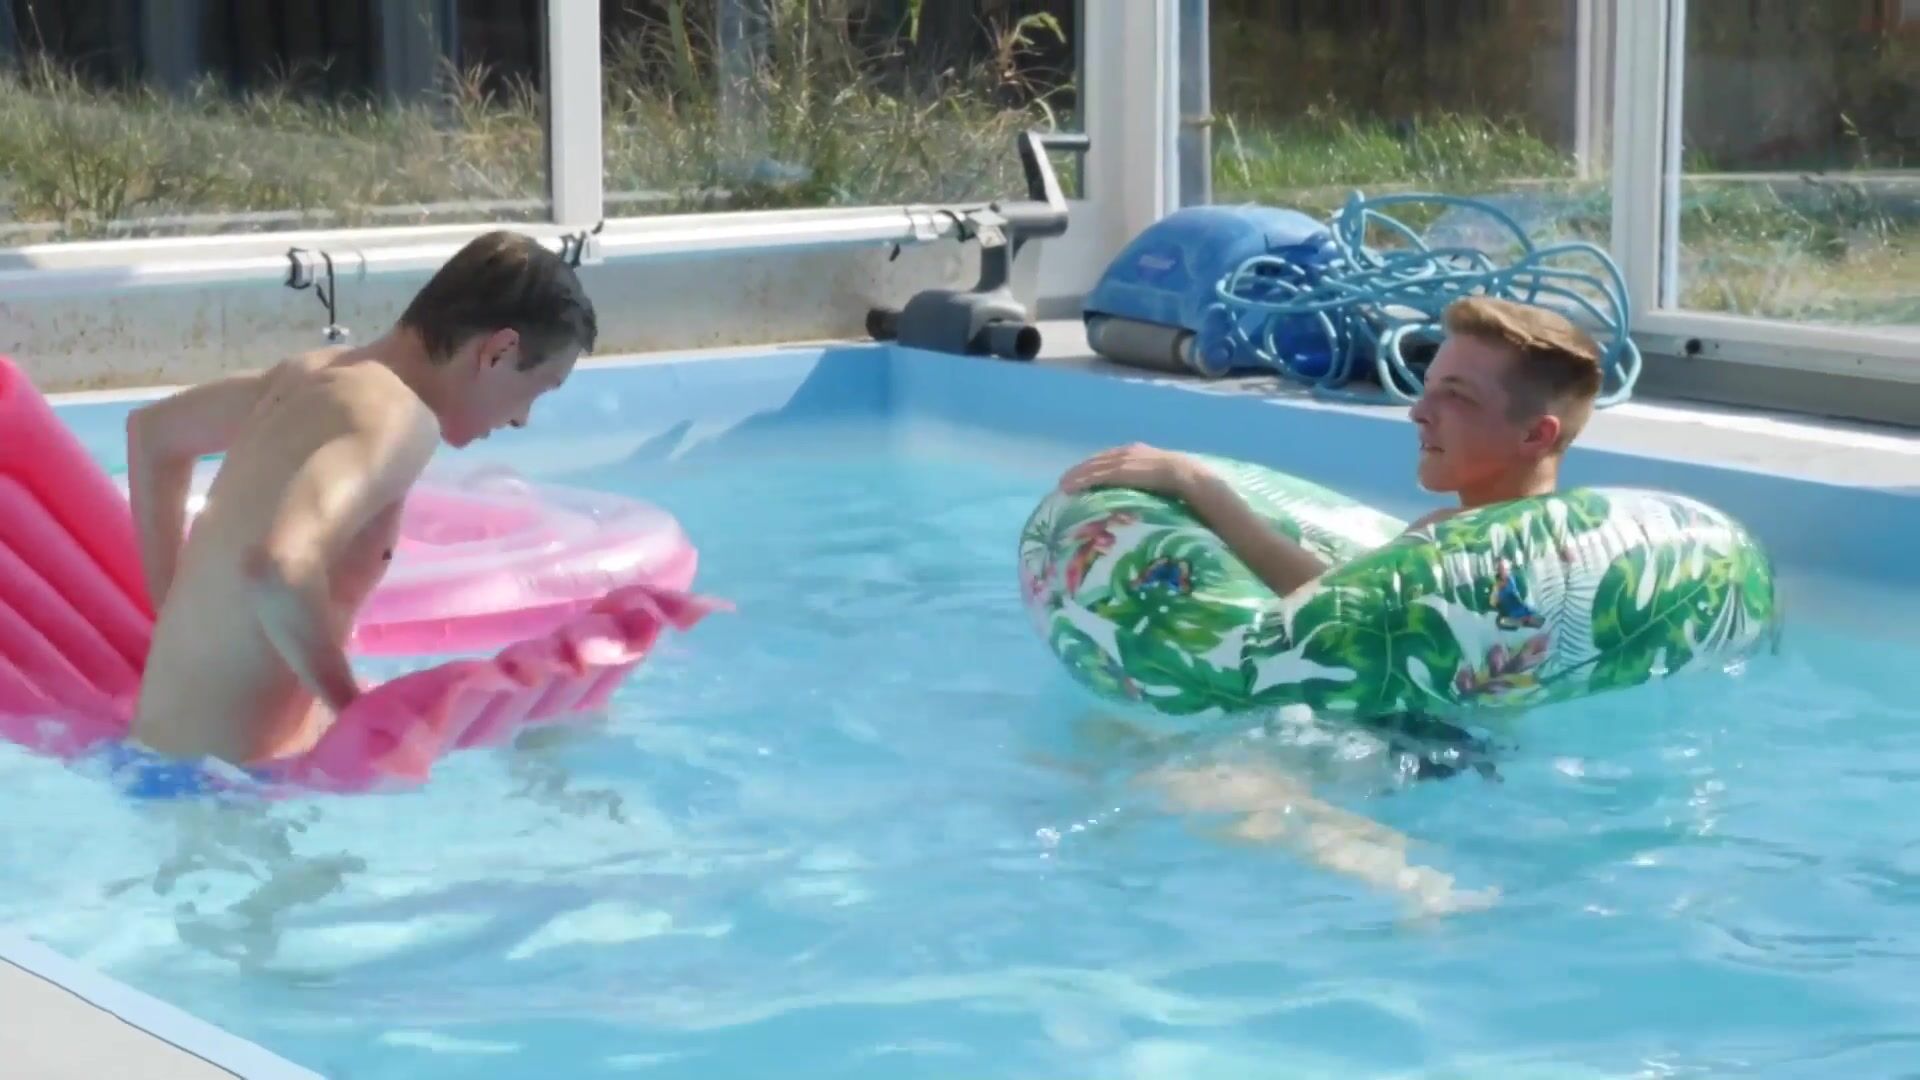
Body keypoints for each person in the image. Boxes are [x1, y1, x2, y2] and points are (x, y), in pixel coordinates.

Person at [1057, 295, 1606, 914]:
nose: (1419, 412)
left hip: (1415, 747)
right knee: (1103, 743)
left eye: (1456, 396)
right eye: (1428, 387)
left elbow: (1328, 617)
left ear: (1536, 434)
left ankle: (1418, 884)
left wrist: (1199, 487)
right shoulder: (1545, 539)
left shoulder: (1474, 548)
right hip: (1450, 743)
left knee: (1194, 787)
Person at [124, 230, 598, 776]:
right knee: (554, 747)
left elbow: (152, 435)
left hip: (158, 757)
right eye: (539, 388)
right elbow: (279, 568)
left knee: (542, 733)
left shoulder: (315, 373)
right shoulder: (396, 417)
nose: (522, 419)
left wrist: (172, 613)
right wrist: (362, 718)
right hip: (226, 795)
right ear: (499, 351)